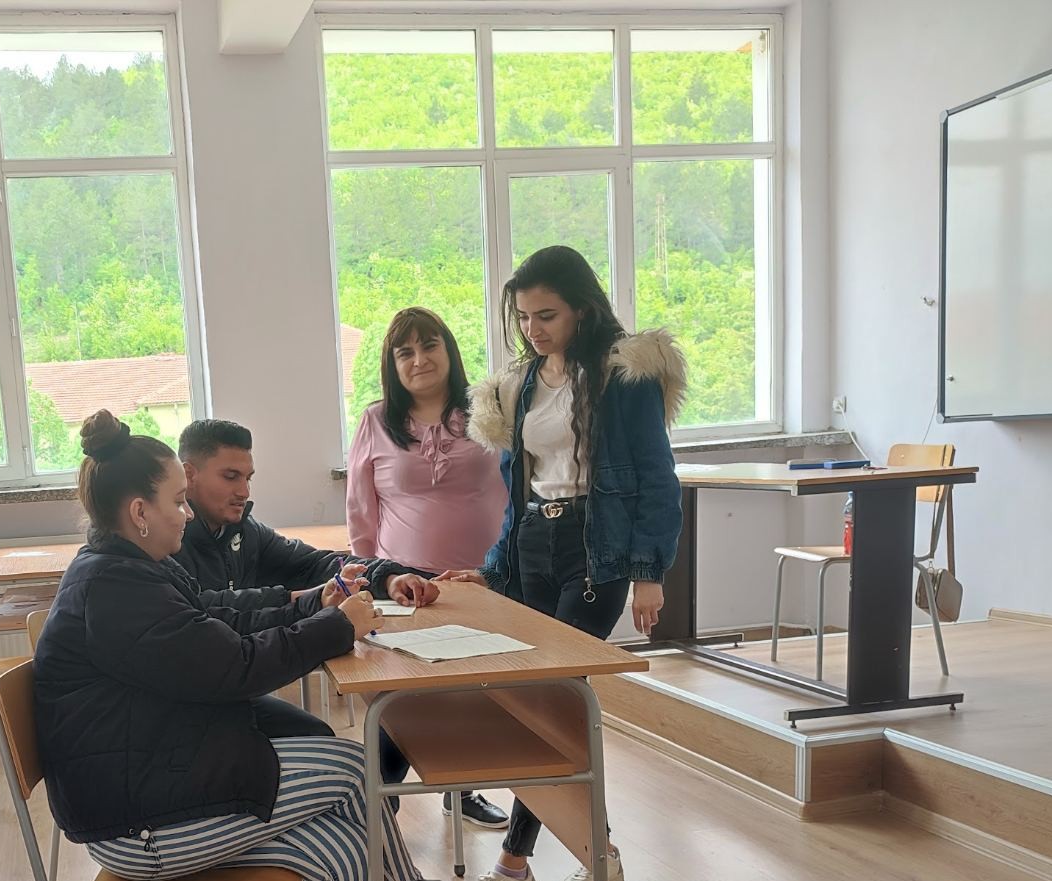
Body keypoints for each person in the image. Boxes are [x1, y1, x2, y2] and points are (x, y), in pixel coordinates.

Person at [34, 410, 421, 881]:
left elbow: (217, 615)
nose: (187, 514)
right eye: (178, 501)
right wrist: (337, 627)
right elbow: (235, 667)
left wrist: (314, 606)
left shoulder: (129, 566)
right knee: (357, 774)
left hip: (151, 772)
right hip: (136, 822)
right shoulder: (116, 586)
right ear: (139, 513)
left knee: (346, 847)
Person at [441, 245, 686, 881]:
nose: (533, 329)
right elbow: (517, 488)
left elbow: (657, 477)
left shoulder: (623, 375)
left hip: (595, 546)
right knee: (539, 702)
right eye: (523, 317)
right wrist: (493, 566)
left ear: (582, 308)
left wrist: (649, 572)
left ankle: (521, 859)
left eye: (546, 315)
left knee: (552, 698)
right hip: (532, 544)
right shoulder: (519, 385)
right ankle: (592, 853)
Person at [346, 306, 511, 829]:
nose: (419, 360)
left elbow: (518, 485)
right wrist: (369, 576)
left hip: (481, 578)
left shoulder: (489, 409)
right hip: (404, 583)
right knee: (404, 692)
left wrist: (505, 566)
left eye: (429, 345)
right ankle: (381, 802)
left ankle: (461, 790)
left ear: (449, 350)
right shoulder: (376, 421)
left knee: (473, 691)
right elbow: (360, 506)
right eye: (405, 352)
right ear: (392, 365)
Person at [173, 419, 440, 608]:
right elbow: (204, 607)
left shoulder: (246, 531)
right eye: (231, 477)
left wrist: (388, 578)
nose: (244, 491)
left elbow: (314, 564)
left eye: (248, 478)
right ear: (189, 474)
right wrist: (306, 599)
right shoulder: (166, 544)